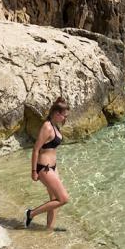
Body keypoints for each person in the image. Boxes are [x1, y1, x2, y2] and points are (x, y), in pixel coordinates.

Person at [25, 97, 70, 231]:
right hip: (44, 168)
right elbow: (36, 149)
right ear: (57, 114)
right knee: (64, 199)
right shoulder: (47, 127)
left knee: (54, 199)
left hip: (53, 167)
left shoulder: (55, 126)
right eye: (64, 116)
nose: (65, 119)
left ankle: (49, 229)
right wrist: (33, 171)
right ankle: (30, 213)